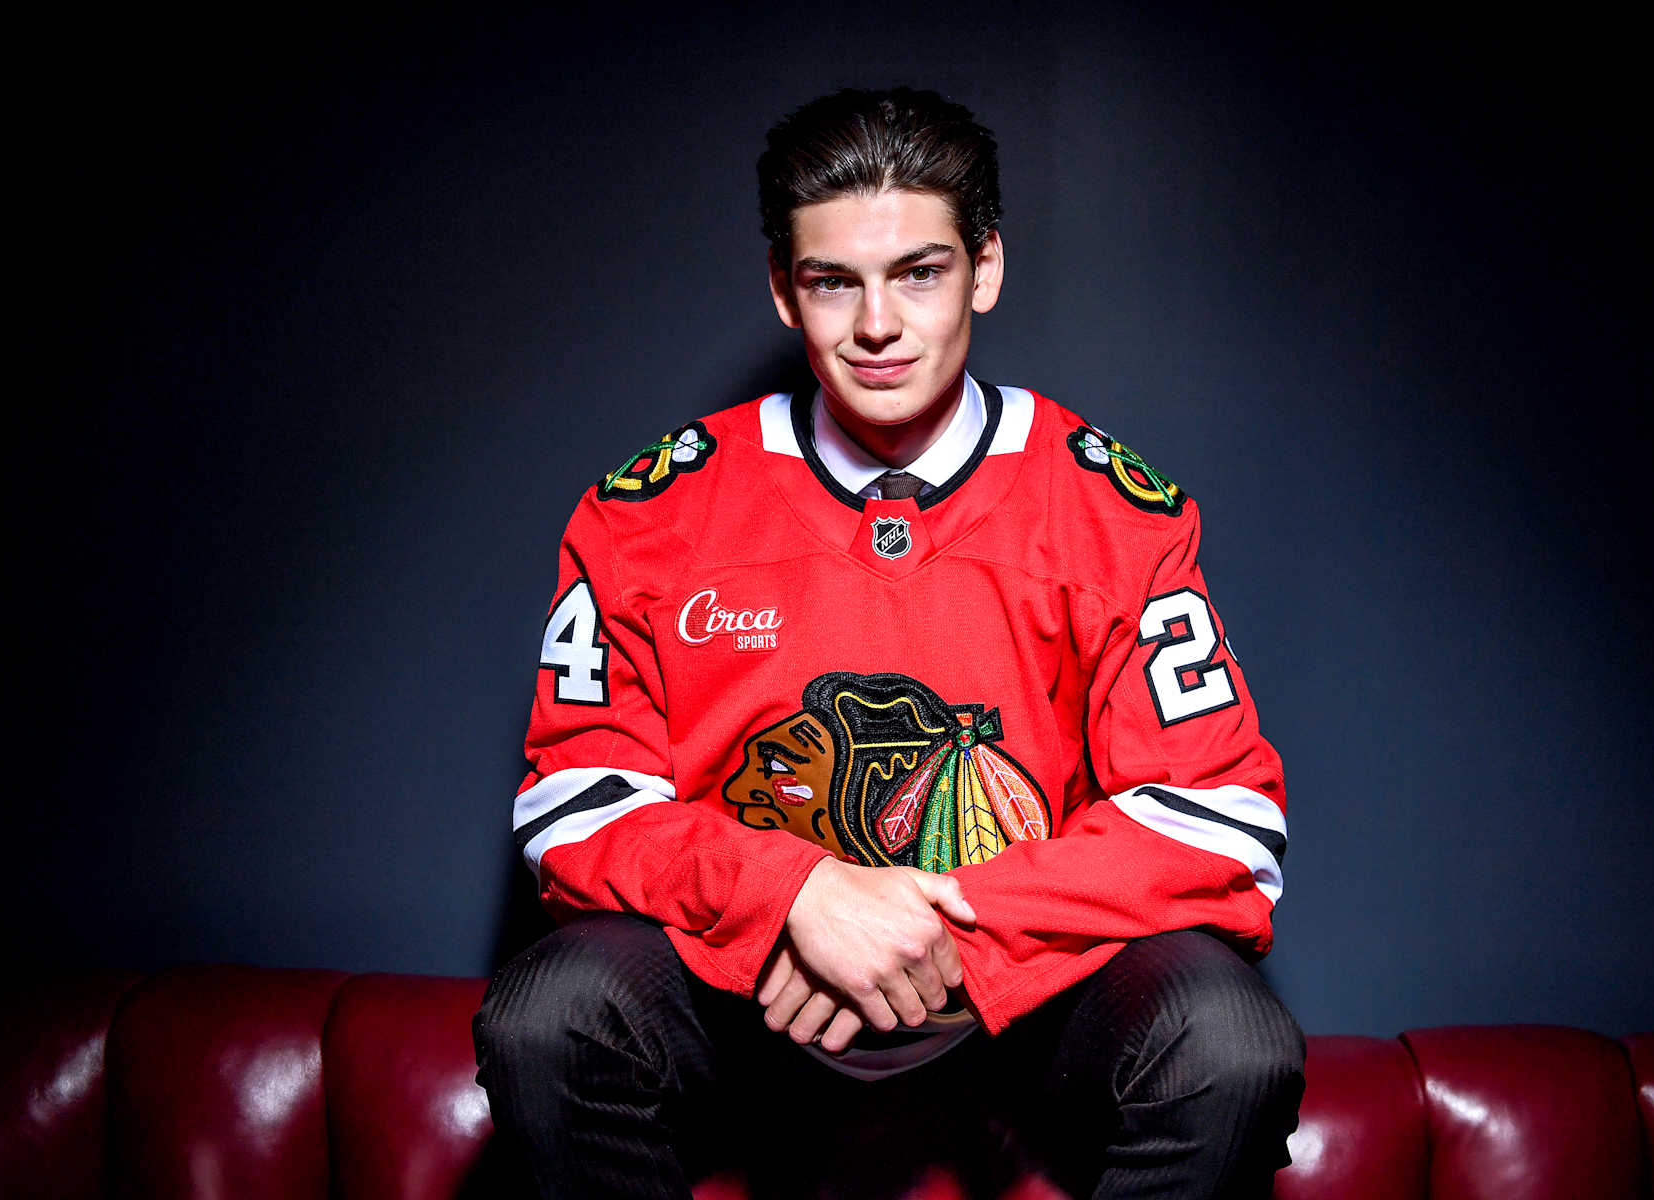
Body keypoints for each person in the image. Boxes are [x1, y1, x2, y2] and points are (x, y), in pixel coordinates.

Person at [474, 87, 1303, 1199]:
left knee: (1232, 1044)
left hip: (1022, 1017)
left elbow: (1222, 815)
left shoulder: (1109, 510)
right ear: (784, 288)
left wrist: (965, 934)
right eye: (834, 282)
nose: (877, 325)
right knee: (547, 1018)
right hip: (751, 1001)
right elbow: (574, 803)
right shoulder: (650, 513)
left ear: (984, 268)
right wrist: (794, 896)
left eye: (919, 273)